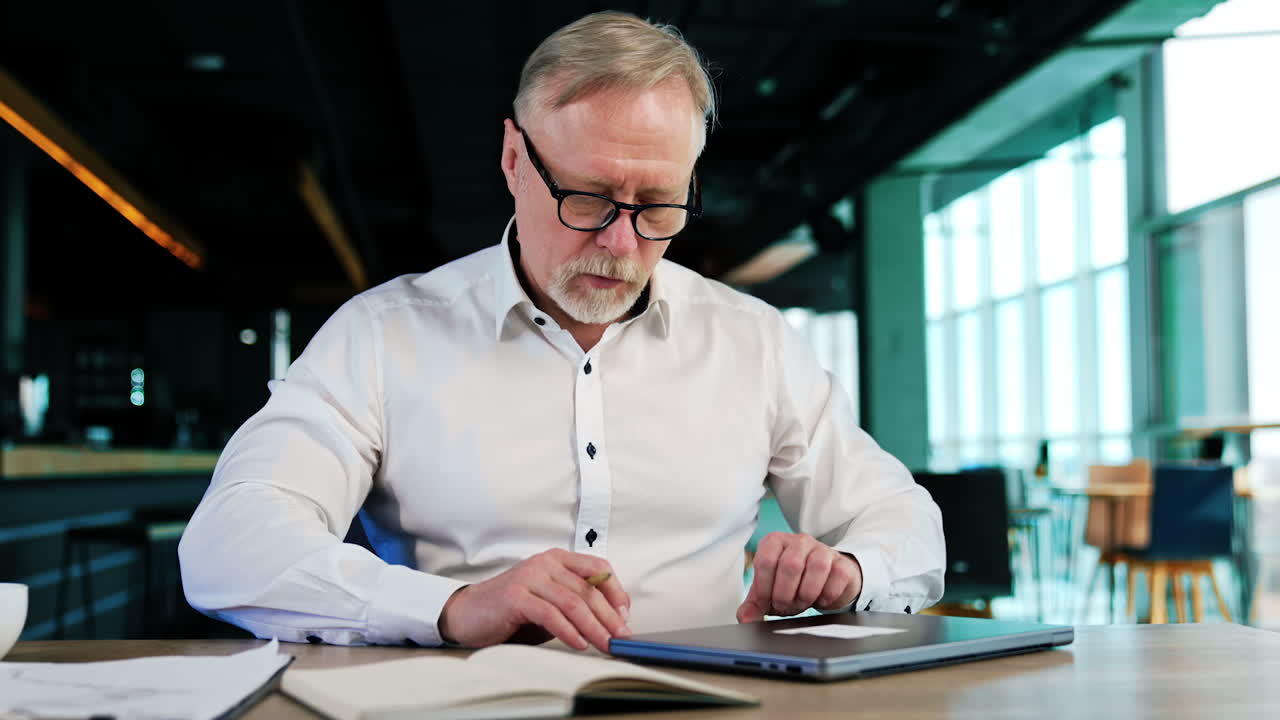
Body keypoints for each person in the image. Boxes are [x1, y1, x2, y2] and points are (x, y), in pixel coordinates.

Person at [179, 11, 944, 654]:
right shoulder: (383, 337)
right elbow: (229, 545)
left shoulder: (754, 342)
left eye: (659, 206)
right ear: (515, 159)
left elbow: (905, 524)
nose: (621, 244)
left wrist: (851, 570)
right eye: (589, 199)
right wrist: (450, 608)